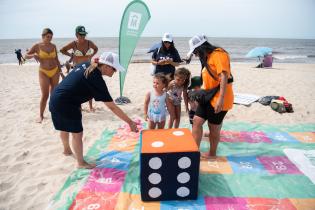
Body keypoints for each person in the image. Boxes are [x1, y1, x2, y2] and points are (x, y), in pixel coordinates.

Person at [49, 52, 138, 169]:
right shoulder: (96, 78)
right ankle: (80, 163)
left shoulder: (87, 64)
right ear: (106, 66)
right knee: (77, 133)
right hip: (67, 103)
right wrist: (130, 122)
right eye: (114, 69)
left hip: (55, 97)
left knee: (65, 127)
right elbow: (112, 107)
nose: (115, 72)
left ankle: (66, 150)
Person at [187, 35, 234, 158]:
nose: (196, 55)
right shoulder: (207, 57)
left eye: (196, 52)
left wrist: (221, 99)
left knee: (213, 128)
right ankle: (194, 151)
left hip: (219, 98)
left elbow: (223, 76)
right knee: (196, 121)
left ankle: (212, 153)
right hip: (208, 96)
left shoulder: (219, 54)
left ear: (202, 47)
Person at [25, 28, 62, 123]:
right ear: (43, 36)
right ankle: (41, 115)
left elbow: (57, 59)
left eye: (51, 37)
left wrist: (60, 71)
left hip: (55, 71)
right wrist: (33, 55)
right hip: (43, 72)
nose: (49, 38)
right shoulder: (37, 46)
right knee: (45, 95)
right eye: (47, 37)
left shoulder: (53, 46)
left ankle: (55, 112)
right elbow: (25, 56)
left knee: (54, 94)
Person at [60, 25, 98, 111]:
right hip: (77, 69)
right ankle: (79, 107)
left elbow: (96, 49)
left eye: (84, 34)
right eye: (81, 35)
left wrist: (91, 55)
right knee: (78, 88)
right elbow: (62, 50)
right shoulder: (73, 44)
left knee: (89, 87)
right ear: (76, 35)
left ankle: (91, 107)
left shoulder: (89, 43)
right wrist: (71, 56)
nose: (83, 36)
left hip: (88, 67)